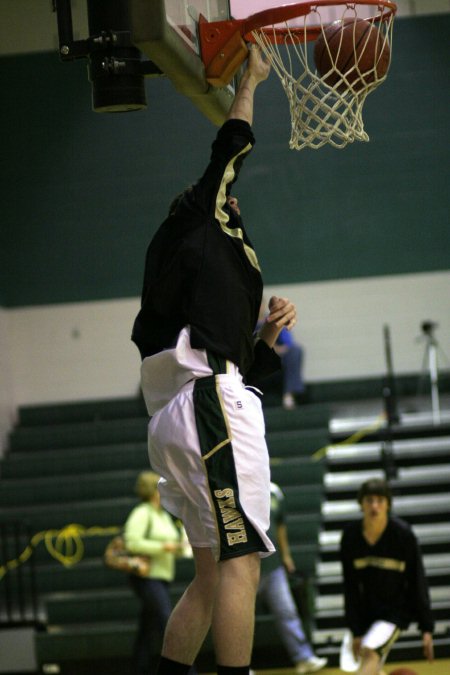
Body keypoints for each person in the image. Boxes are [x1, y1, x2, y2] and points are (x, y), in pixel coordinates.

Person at [131, 45, 298, 675]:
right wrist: (250, 82)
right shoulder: (196, 219)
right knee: (242, 562)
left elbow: (241, 365)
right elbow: (230, 147)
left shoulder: (188, 280)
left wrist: (268, 336)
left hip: (192, 409)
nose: (233, 204)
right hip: (210, 403)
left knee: (209, 573)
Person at [340, 478, 434, 675]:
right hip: (367, 614)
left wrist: (426, 627)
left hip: (395, 612)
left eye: (380, 501)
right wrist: (355, 629)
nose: (375, 506)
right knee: (368, 663)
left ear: (388, 504)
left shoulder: (403, 535)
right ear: (361, 504)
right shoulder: (350, 537)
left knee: (370, 652)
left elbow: (418, 580)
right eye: (369, 500)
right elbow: (350, 587)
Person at [124, 471, 193, 675]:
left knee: (147, 629)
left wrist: (182, 548)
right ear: (155, 490)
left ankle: (138, 669)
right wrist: (164, 547)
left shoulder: (162, 514)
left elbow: (172, 545)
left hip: (161, 577)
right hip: (147, 578)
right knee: (167, 621)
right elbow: (132, 542)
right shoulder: (142, 512)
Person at [255, 482, 327, 674]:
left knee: (287, 612)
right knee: (242, 620)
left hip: (274, 568)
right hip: (247, 569)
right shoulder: (239, 487)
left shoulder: (275, 491)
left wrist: (286, 557)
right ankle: (240, 666)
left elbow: (280, 526)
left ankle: (303, 658)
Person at [274, 328, 306, 410]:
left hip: (274, 355)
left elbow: (288, 342)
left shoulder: (273, 320)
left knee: (295, 350)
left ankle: (289, 394)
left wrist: (277, 349)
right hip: (255, 356)